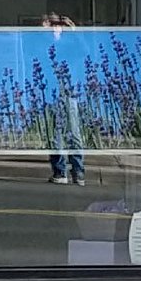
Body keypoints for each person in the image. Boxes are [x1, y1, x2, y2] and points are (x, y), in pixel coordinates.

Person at [42, 13, 85, 185]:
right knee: (55, 133)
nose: (54, 28)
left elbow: (83, 51)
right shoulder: (44, 42)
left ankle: (78, 171)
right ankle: (60, 171)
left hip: (68, 91)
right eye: (51, 24)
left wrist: (74, 31)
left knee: (73, 130)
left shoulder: (70, 43)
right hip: (52, 91)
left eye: (57, 24)